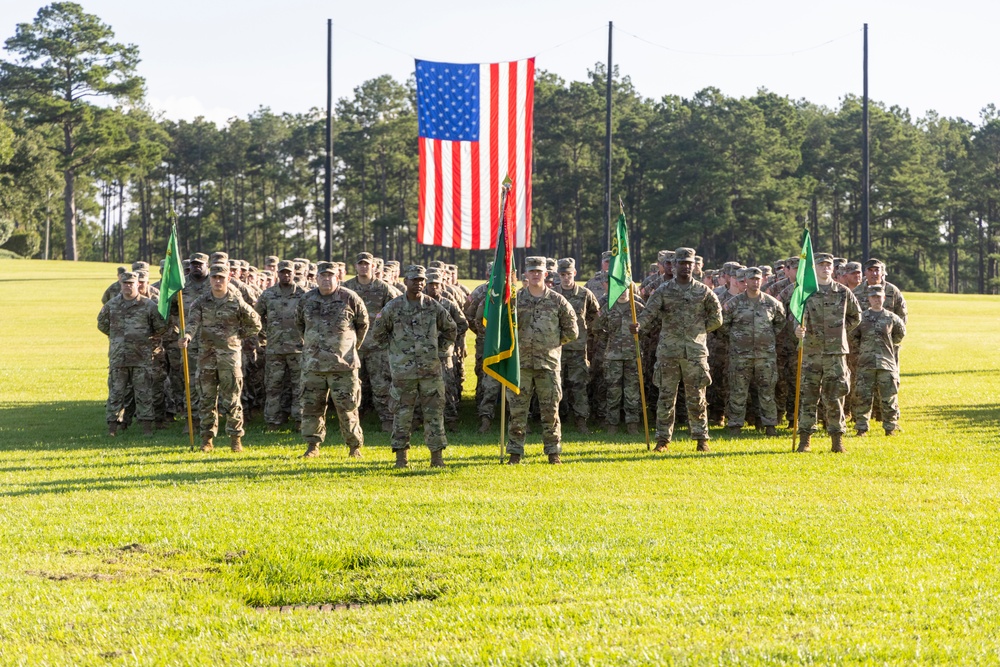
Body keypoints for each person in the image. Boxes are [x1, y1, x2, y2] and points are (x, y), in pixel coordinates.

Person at [634, 247, 722, 452]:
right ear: (673, 266)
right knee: (666, 397)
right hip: (669, 352)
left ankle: (701, 439)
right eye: (681, 263)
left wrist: (699, 330)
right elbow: (649, 313)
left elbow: (717, 318)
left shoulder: (703, 291)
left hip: (694, 352)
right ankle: (663, 440)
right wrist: (639, 326)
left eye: (689, 263)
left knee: (697, 397)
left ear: (694, 266)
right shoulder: (664, 290)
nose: (685, 267)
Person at [372, 265, 457, 468]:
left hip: (431, 372)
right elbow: (378, 333)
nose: (418, 283)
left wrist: (439, 351)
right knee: (402, 415)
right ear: (405, 282)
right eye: (414, 280)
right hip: (404, 373)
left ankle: (437, 458)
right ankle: (401, 458)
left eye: (421, 280)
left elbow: (451, 328)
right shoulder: (393, 307)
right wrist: (395, 353)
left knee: (434, 415)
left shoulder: (433, 306)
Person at [180, 263, 262, 453]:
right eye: (214, 278)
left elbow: (256, 323)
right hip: (206, 358)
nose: (218, 281)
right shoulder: (200, 302)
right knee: (207, 400)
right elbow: (192, 323)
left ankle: (235, 439)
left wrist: (238, 335)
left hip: (229, 358)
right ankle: (207, 440)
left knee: (232, 401)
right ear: (210, 279)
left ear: (228, 279)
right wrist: (188, 336)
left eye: (221, 278)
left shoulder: (236, 300)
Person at [505, 256, 578, 464]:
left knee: (550, 410)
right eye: (532, 271)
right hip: (521, 366)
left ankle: (553, 452)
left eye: (539, 271)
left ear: (546, 275)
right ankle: (515, 452)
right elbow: (505, 330)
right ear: (525, 275)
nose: (536, 274)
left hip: (548, 365)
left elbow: (572, 331)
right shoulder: (515, 300)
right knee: (518, 411)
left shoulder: (558, 301)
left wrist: (552, 344)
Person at [295, 261, 369, 458]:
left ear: (338, 278)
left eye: (330, 275)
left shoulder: (350, 298)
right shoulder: (306, 300)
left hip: (343, 366)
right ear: (316, 278)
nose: (326, 279)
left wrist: (350, 348)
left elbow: (363, 324)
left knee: (348, 409)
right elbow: (300, 325)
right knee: (312, 408)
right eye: (323, 275)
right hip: (314, 365)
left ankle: (354, 448)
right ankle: (312, 446)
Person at [793, 253, 862, 453]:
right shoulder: (806, 292)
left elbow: (855, 317)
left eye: (828, 265)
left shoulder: (842, 292)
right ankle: (805, 439)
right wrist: (797, 330)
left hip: (835, 354)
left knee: (835, 396)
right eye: (821, 265)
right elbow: (796, 318)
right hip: (811, 353)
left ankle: (837, 441)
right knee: (808, 396)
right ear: (814, 268)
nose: (825, 268)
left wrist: (839, 331)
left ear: (833, 269)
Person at [97, 271, 169, 436]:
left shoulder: (148, 305)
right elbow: (101, 324)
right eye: (125, 283)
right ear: (120, 285)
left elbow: (160, 326)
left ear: (138, 284)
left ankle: (146, 428)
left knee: (143, 393)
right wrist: (117, 337)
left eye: (131, 283)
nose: (128, 286)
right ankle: (112, 427)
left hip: (141, 357)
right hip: (118, 358)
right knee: (116, 393)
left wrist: (143, 337)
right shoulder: (111, 305)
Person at [720, 266, 785, 436]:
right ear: (745, 281)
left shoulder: (772, 303)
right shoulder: (734, 303)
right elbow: (723, 325)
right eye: (751, 279)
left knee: (767, 391)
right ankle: (735, 425)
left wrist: (766, 338)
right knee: (738, 390)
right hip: (740, 355)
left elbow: (780, 323)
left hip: (765, 356)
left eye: (758, 279)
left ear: (762, 280)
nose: (755, 282)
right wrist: (737, 338)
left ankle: (770, 425)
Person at [344, 252, 400, 431]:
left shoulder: (383, 288)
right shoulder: (347, 288)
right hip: (354, 346)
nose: (364, 267)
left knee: (381, 384)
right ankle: (352, 420)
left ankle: (387, 420)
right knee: (353, 384)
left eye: (367, 264)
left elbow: (395, 313)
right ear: (355, 266)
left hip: (378, 346)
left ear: (374, 267)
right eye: (360, 264)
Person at [255, 260, 307, 431]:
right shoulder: (268, 294)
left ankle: (300, 421)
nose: (286, 275)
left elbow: (312, 318)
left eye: (289, 272)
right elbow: (256, 317)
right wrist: (264, 335)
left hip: (298, 349)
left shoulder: (303, 294)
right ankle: (273, 421)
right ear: (277, 273)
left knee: (299, 386)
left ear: (294, 274)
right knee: (273, 386)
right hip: (274, 349)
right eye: (283, 272)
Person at [850, 284, 906, 436]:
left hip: (886, 363)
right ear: (868, 298)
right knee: (863, 397)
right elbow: (853, 336)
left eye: (879, 297)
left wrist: (886, 346)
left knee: (888, 397)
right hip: (865, 363)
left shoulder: (891, 318)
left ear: (884, 298)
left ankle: (890, 427)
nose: (876, 300)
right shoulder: (861, 318)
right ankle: (861, 427)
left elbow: (899, 335)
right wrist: (864, 348)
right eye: (873, 297)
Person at [555, 258, 600, 433]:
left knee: (579, 386)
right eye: (563, 274)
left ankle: (581, 421)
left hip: (578, 349)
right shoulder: (553, 294)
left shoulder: (585, 294)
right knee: (556, 386)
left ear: (575, 273)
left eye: (569, 274)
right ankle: (556, 420)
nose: (566, 278)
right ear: (559, 275)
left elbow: (594, 315)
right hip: (556, 348)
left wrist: (586, 333)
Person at [595, 282, 644, 435]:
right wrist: (610, 340)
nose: (623, 292)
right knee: (613, 391)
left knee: (632, 391)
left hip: (632, 355)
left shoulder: (638, 308)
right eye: (619, 289)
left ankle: (632, 424)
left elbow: (649, 327)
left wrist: (639, 332)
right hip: (613, 356)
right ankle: (612, 425)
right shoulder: (608, 308)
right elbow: (596, 327)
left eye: (626, 289)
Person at [425, 269, 468, 431]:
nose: (434, 287)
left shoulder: (448, 304)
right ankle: (419, 419)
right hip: (423, 354)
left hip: (444, 354)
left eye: (437, 284)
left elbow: (463, 324)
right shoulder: (420, 303)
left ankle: (450, 419)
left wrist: (447, 337)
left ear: (442, 286)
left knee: (447, 387)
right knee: (422, 387)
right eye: (431, 284)